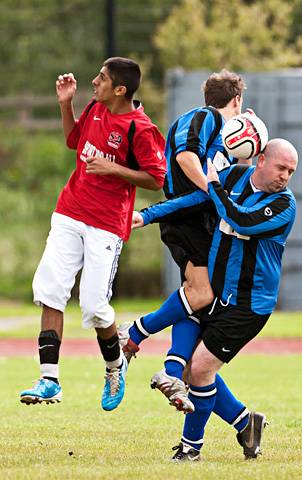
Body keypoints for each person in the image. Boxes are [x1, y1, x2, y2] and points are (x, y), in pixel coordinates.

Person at [133, 138, 298, 461]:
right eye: (281, 167)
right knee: (191, 348)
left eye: (291, 171)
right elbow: (194, 200)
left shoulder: (284, 205)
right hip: (220, 291)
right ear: (260, 159)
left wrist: (214, 185)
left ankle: (190, 450)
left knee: (201, 369)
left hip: (249, 305)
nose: (285, 176)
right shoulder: (234, 177)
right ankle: (245, 422)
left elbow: (240, 220)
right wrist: (148, 215)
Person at [19, 57, 166, 411]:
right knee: (51, 289)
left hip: (106, 223)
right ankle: (49, 379)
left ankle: (115, 367)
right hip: (70, 211)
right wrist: (66, 104)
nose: (93, 81)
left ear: (120, 89)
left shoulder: (141, 129)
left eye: (101, 78)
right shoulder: (94, 108)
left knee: (95, 308)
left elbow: (156, 178)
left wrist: (114, 169)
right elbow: (74, 141)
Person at [121, 70, 249, 411]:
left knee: (196, 302)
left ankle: (174, 370)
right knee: (202, 293)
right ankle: (134, 333)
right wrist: (214, 191)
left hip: (202, 223)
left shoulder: (227, 140)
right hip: (187, 222)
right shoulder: (203, 117)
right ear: (236, 99)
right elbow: (185, 158)